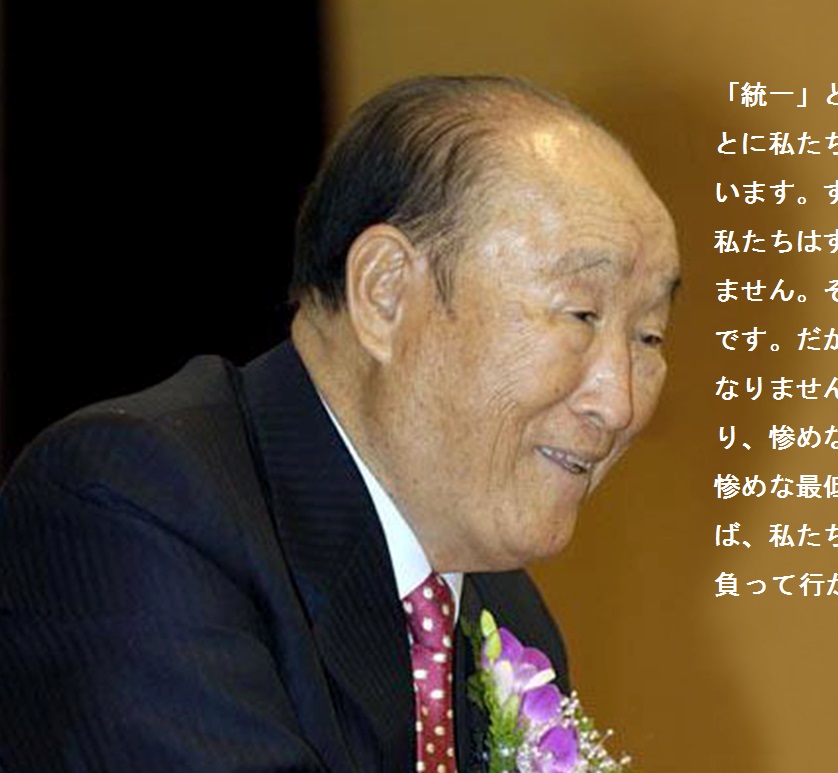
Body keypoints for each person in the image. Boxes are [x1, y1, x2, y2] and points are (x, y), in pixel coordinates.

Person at [0, 75, 680, 772]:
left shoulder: (505, 614)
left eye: (649, 336)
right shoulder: (133, 502)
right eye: (581, 314)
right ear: (386, 293)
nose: (619, 403)